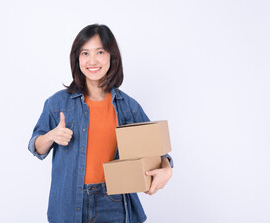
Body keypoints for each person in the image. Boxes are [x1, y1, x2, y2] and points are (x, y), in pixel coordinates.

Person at [28, 23, 174, 223]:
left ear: (111, 57)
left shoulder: (128, 107)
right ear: (77, 58)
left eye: (100, 52)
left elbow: (157, 152)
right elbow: (36, 146)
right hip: (69, 204)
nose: (92, 60)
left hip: (113, 203)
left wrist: (167, 169)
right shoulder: (57, 103)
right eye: (85, 53)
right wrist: (52, 136)